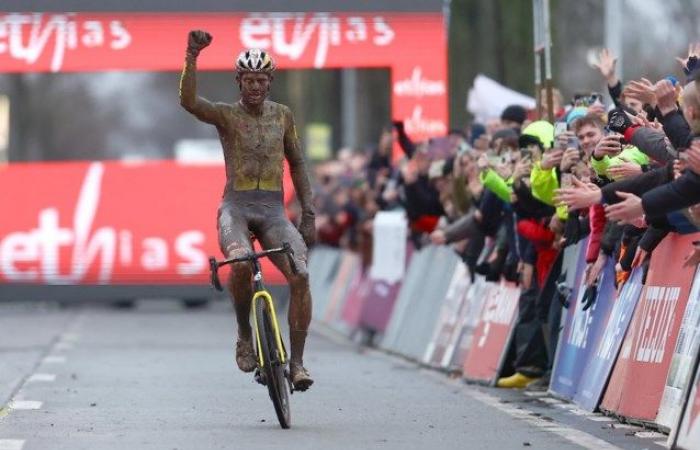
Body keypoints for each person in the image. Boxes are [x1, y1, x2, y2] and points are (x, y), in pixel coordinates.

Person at [179, 30, 316, 391]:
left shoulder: (283, 116)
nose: (255, 86)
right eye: (249, 80)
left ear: (270, 82)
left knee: (300, 275)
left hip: (273, 211)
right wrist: (192, 56)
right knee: (240, 263)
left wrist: (309, 214)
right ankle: (244, 334)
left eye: (261, 80)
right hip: (236, 208)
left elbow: (298, 165)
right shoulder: (226, 116)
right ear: (238, 81)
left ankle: (297, 364)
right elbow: (190, 102)